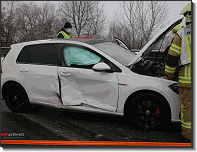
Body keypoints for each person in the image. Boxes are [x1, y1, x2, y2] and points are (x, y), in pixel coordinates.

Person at [164, 2, 191, 143]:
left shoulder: (181, 34)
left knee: (188, 109)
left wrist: (167, 76)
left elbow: (172, 58)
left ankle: (188, 136)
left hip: (189, 81)